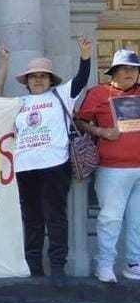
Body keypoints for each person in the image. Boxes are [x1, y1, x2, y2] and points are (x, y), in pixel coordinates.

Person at [13, 36, 93, 286]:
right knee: (32, 218)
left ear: (50, 80)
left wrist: (85, 55)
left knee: (55, 217)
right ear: (26, 81)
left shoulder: (61, 94)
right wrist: (4, 65)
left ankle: (58, 267)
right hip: (25, 168)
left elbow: (81, 79)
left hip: (55, 166)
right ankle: (34, 266)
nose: (37, 79)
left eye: (43, 76)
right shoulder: (18, 103)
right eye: (33, 76)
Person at [75, 48, 140, 283]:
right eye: (125, 68)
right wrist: (100, 131)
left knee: (137, 220)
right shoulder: (98, 93)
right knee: (110, 218)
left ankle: (134, 263)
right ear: (114, 71)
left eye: (134, 69)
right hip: (113, 168)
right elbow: (79, 121)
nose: (130, 73)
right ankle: (104, 263)